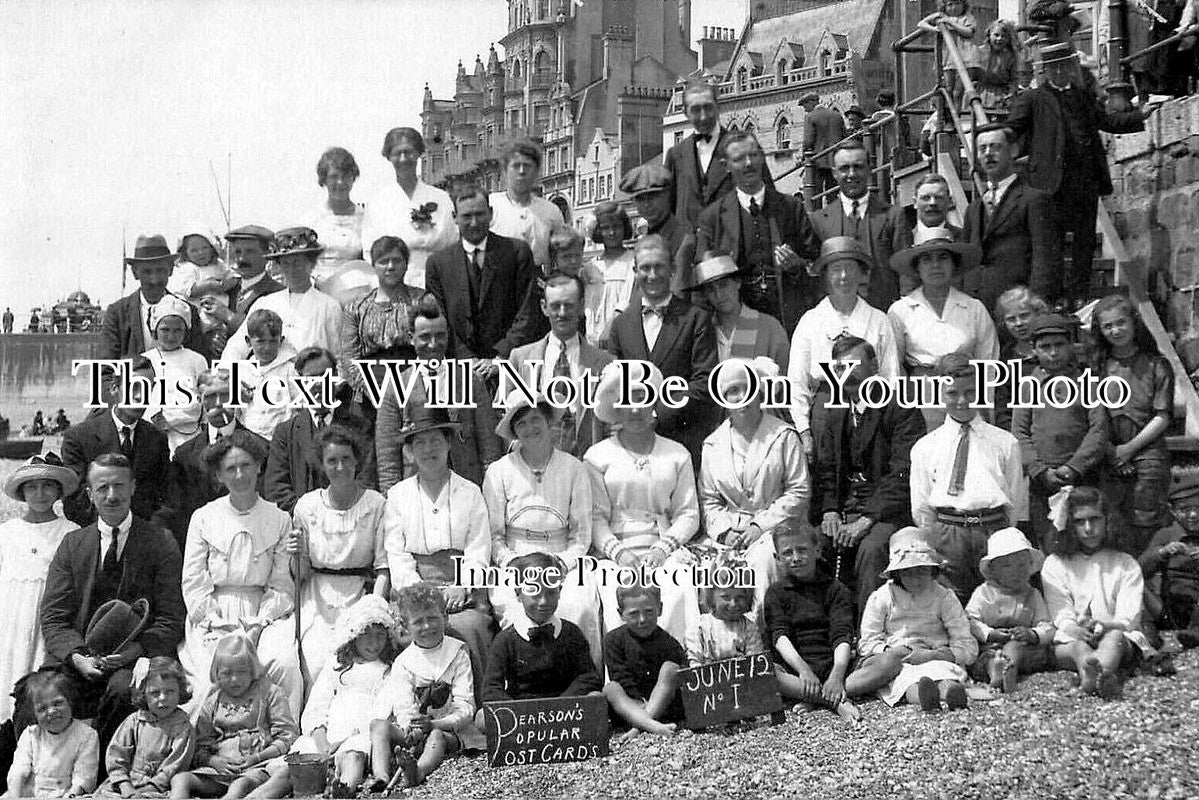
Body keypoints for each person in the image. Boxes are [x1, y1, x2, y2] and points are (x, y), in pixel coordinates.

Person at [37, 454, 186, 753]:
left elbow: (171, 616)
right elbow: (53, 617)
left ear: (133, 487)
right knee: (37, 694)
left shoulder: (160, 541)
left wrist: (135, 651)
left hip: (134, 659)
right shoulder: (72, 544)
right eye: (103, 488)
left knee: (122, 691)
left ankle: (108, 775)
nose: (112, 495)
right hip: (76, 658)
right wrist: (77, 656)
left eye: (119, 486)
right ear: (90, 495)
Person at [1006, 43, 1146, 306]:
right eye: (1053, 68)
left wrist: (1140, 117)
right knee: (1052, 241)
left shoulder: (1083, 96)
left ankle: (1079, 295)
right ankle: (1055, 296)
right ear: (1045, 71)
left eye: (1063, 66)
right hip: (1050, 182)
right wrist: (995, 141)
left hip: (1085, 179)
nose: (1059, 72)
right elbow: (1012, 128)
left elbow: (1108, 122)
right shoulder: (1033, 99)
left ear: (1070, 68)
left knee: (1084, 241)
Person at [177, 432, 302, 717]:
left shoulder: (279, 518)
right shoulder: (203, 517)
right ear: (219, 477)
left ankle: (285, 741)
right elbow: (194, 581)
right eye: (230, 469)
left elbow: (282, 583)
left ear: (259, 466)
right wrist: (215, 622)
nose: (239, 474)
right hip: (216, 614)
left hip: (266, 615)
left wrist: (260, 623)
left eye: (246, 465)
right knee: (212, 675)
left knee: (283, 663)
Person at [382, 405, 494, 703]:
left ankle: (474, 710)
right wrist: (419, 592)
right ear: (409, 451)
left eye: (435, 441)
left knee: (466, 627)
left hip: (461, 592)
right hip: (415, 591)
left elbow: (479, 546)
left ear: (448, 443)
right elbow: (397, 552)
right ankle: (417, 715)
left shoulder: (470, 492)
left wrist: (463, 584)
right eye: (420, 442)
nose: (428, 449)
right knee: (413, 629)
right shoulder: (398, 496)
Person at [586, 361, 701, 644]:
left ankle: (679, 674)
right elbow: (595, 517)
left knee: (677, 588)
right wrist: (620, 554)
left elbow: (688, 513)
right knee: (619, 594)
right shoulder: (597, 456)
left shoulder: (676, 454)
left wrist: (663, 549)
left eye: (642, 398)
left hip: (663, 547)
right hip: (616, 553)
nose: (635, 409)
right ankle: (621, 679)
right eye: (627, 401)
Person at [483, 391, 601, 663]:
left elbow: (581, 535)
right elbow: (494, 534)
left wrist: (561, 562)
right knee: (518, 609)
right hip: (515, 559)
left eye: (536, 419)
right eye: (521, 423)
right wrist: (512, 561)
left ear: (549, 422)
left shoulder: (574, 468)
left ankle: (584, 688)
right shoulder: (499, 471)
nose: (530, 428)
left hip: (563, 559)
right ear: (513, 430)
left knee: (579, 606)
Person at [814, 336, 926, 611]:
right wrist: (829, 510)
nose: (847, 375)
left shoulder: (901, 408)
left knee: (871, 549)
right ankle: (827, 634)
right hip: (846, 509)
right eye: (840, 369)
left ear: (874, 366)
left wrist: (866, 520)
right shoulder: (835, 411)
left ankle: (868, 634)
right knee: (813, 544)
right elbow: (826, 469)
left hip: (886, 511)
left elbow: (903, 474)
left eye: (854, 366)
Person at [909, 353, 1027, 603]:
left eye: (970, 392)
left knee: (996, 601)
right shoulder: (925, 447)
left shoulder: (1005, 443)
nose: (962, 401)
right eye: (952, 393)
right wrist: (935, 540)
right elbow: (921, 508)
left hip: (992, 529)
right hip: (948, 533)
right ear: (939, 393)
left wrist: (1002, 537)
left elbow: (1015, 501)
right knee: (952, 603)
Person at [698, 357, 809, 608]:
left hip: (775, 529)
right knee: (706, 568)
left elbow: (799, 491)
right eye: (732, 391)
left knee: (763, 561)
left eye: (746, 388)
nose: (741, 397)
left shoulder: (783, 436)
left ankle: (760, 639)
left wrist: (759, 526)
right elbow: (708, 499)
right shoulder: (712, 444)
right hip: (730, 533)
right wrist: (725, 532)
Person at [607, 235, 719, 467]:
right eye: (645, 268)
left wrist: (655, 414)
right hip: (631, 446)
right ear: (635, 271)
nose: (653, 275)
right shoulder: (620, 325)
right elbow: (614, 386)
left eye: (659, 267)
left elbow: (705, 382)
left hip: (681, 441)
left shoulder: (696, 318)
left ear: (673, 270)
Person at [694, 129, 822, 332]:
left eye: (753, 155)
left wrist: (797, 265)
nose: (748, 164)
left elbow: (816, 262)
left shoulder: (791, 207)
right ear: (726, 166)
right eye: (739, 159)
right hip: (738, 323)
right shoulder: (713, 217)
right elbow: (703, 277)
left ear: (763, 158)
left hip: (787, 318)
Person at [288, 424, 388, 681]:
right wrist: (297, 555)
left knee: (353, 661)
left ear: (357, 461)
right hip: (316, 597)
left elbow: (383, 567)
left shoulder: (375, 504)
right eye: (332, 460)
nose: (340, 467)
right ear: (322, 464)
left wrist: (372, 613)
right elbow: (300, 574)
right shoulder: (307, 506)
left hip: (360, 595)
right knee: (314, 658)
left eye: (346, 459)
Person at [374, 295, 501, 491]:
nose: (433, 344)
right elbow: (387, 455)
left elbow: (489, 444)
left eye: (440, 335)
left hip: (465, 486)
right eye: (425, 336)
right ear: (411, 337)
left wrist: (491, 492)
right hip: (416, 492)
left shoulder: (469, 380)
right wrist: (391, 499)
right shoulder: (397, 385)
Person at [789, 237, 901, 457]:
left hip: (870, 408)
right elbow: (797, 382)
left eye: (850, 268)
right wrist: (804, 432)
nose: (843, 276)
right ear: (826, 276)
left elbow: (891, 376)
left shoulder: (878, 320)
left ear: (861, 273)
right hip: (826, 409)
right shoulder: (810, 321)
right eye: (836, 269)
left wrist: (887, 422)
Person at [1041, 486, 1155, 699]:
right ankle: (1092, 675)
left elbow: (1129, 617)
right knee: (1077, 648)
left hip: (1116, 633)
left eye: (1095, 519)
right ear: (1068, 524)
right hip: (1073, 636)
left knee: (1114, 640)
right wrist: (1075, 629)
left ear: (1107, 521)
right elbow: (1060, 610)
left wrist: (1106, 626)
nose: (1088, 528)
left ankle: (1096, 673)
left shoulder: (1125, 563)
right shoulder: (1055, 564)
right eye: (1079, 522)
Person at [282, 596, 399, 798]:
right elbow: (316, 706)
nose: (374, 643)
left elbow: (381, 712)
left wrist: (347, 739)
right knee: (290, 770)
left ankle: (344, 790)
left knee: (353, 760)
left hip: (359, 736)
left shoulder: (388, 671)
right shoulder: (337, 666)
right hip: (326, 738)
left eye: (380, 635)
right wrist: (322, 742)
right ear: (354, 635)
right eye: (367, 635)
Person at [846, 534, 977, 711]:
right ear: (897, 573)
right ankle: (924, 697)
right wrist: (892, 652)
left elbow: (965, 644)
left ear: (933, 571)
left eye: (922, 571)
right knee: (907, 680)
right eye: (908, 572)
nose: (915, 579)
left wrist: (936, 655)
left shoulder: (944, 597)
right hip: (898, 659)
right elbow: (868, 641)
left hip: (935, 654)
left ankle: (949, 692)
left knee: (943, 673)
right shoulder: (882, 597)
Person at [1013, 314, 1110, 550]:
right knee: (1050, 542)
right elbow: (1019, 432)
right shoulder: (1028, 385)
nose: (1053, 353)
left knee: (1085, 538)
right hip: (1043, 480)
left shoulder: (1086, 382)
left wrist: (1075, 466)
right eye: (1045, 347)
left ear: (1070, 346)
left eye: (1059, 345)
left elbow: (1099, 429)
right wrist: (1039, 470)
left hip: (1082, 475)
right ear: (1034, 350)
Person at [424, 187, 544, 378]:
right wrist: (465, 359)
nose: (474, 223)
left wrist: (501, 357)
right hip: (459, 369)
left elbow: (527, 311)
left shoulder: (516, 252)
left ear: (491, 214)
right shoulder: (438, 264)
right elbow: (440, 320)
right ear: (455, 217)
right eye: (466, 216)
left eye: (480, 214)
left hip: (510, 367)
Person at [888, 227, 998, 430]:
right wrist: (903, 407)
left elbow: (988, 364)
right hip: (921, 398)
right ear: (917, 267)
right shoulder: (901, 310)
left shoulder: (973, 308)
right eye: (927, 259)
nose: (935, 265)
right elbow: (893, 366)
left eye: (943, 257)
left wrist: (984, 407)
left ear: (954, 264)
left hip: (966, 394)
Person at [371, 585, 480, 790]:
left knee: (436, 737)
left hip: (449, 729)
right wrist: (410, 728)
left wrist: (436, 725)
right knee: (378, 725)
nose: (427, 627)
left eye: (432, 618)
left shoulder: (458, 653)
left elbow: (466, 706)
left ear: (445, 618)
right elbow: (404, 707)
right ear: (405, 626)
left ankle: (418, 770)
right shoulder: (403, 662)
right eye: (418, 622)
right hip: (416, 731)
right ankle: (381, 775)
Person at [1091, 294, 1173, 555]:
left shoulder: (1156, 364)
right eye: (1108, 326)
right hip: (1107, 453)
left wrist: (1129, 449)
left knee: (1146, 526)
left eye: (1121, 323)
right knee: (1111, 525)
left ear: (1133, 323)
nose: (1115, 330)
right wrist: (1111, 451)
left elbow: (1163, 415)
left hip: (1147, 453)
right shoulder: (1096, 367)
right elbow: (1092, 414)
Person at [0, 455, 80, 721]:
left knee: (42, 687)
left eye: (47, 486)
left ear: (58, 491)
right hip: (11, 621)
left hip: (48, 621)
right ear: (22, 492)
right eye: (32, 486)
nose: (40, 493)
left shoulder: (70, 531)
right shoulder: (8, 532)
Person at [171, 636, 297, 800]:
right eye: (227, 673)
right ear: (216, 673)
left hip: (256, 768)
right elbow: (200, 745)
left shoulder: (269, 693)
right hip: (219, 771)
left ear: (253, 669)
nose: (234, 679)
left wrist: (258, 757)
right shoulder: (212, 702)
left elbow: (286, 736)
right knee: (180, 779)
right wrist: (214, 761)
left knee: (239, 786)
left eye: (242, 672)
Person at [61, 357, 175, 531]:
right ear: (114, 388)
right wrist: (112, 530)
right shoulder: (78, 438)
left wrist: (148, 533)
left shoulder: (156, 438)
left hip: (144, 537)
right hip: (97, 535)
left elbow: (166, 495)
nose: (138, 396)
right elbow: (74, 501)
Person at [509, 273, 614, 458]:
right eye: (555, 306)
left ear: (581, 306)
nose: (562, 313)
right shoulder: (520, 359)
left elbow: (612, 421)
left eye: (569, 305)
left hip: (586, 464)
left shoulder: (605, 363)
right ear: (544, 308)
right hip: (535, 465)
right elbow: (506, 420)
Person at [763, 522, 860, 721]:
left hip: (836, 664)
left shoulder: (836, 589)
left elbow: (842, 634)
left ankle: (814, 694)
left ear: (817, 551)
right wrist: (804, 670)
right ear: (778, 558)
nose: (796, 558)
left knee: (889, 662)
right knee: (763, 673)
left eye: (802, 550)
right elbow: (779, 636)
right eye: (788, 553)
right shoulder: (776, 592)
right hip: (797, 670)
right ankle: (833, 700)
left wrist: (837, 675)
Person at [263, 347, 375, 514]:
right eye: (310, 379)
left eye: (324, 377)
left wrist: (338, 514)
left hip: (351, 523)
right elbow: (276, 490)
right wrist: (312, 518)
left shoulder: (359, 428)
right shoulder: (285, 434)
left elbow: (366, 481)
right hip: (301, 525)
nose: (318, 385)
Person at [481, 552, 602, 702]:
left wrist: (559, 704)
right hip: (523, 715)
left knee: (595, 698)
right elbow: (491, 688)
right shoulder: (505, 640)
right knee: (482, 718)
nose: (543, 601)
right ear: (519, 593)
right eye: (535, 594)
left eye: (551, 593)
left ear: (560, 592)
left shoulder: (571, 633)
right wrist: (520, 710)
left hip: (564, 711)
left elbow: (588, 677)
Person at [962, 125, 1058, 311]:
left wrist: (1037, 303)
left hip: (1017, 309)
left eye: (995, 147)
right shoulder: (973, 209)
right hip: (977, 309)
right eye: (983, 149)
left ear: (1013, 151)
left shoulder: (1033, 199)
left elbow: (1045, 257)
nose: (988, 153)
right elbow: (965, 262)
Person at [168, 371, 269, 544]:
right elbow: (180, 513)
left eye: (225, 395)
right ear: (199, 399)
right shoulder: (184, 455)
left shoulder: (262, 448)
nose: (218, 403)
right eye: (210, 396)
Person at [664, 79, 773, 229]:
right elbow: (667, 209)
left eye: (708, 108)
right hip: (690, 249)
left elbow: (768, 197)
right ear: (685, 113)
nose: (703, 116)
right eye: (695, 110)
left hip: (732, 244)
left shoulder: (745, 149)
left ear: (718, 106)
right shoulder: (675, 154)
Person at [222, 228, 343, 362]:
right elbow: (236, 346)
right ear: (279, 266)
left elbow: (338, 354)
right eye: (286, 263)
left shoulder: (328, 306)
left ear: (311, 263)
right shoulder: (266, 303)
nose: (292, 269)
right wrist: (228, 372)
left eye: (297, 262)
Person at [809, 144, 904, 310]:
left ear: (869, 169)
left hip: (883, 315)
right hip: (837, 319)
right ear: (834, 173)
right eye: (844, 168)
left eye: (858, 167)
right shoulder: (819, 220)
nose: (851, 174)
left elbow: (905, 273)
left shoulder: (893, 215)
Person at [360, 127, 457, 289]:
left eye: (409, 152)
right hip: (395, 286)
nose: (403, 159)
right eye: (397, 153)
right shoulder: (378, 202)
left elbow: (452, 244)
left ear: (419, 153)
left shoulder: (441, 198)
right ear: (389, 157)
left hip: (440, 283)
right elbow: (370, 251)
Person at [965, 528, 1054, 693]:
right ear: (992, 570)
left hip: (1024, 649)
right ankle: (996, 672)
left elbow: (1047, 626)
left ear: (1030, 566)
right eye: (1007, 566)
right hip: (992, 646)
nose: (1016, 572)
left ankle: (1008, 672)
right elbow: (971, 620)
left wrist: (1032, 634)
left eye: (1022, 565)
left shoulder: (1032, 594)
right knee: (986, 658)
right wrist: (989, 633)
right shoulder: (984, 593)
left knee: (1017, 649)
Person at [338, 236, 418, 412]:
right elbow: (349, 358)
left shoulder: (422, 301)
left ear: (406, 264)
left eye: (397, 261)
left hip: (414, 385)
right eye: (383, 261)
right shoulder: (356, 308)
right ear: (374, 265)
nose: (390, 267)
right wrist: (375, 394)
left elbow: (433, 347)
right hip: (370, 392)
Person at [97, 658, 195, 797]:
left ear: (180, 692)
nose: (162, 698)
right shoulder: (135, 721)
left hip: (157, 789)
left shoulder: (182, 727)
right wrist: (125, 785)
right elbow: (117, 754)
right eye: (155, 693)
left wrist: (145, 790)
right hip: (125, 784)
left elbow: (174, 766)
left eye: (169, 691)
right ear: (143, 695)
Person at [103, 234, 208, 361]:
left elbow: (199, 363)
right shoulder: (117, 313)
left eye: (160, 271)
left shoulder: (189, 311)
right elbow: (105, 369)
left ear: (170, 270)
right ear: (135, 273)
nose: (154, 280)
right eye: (147, 272)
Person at [601, 585, 687, 737]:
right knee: (611, 688)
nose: (642, 620)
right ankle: (651, 725)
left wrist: (648, 709)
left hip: (663, 708)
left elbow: (676, 685)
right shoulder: (613, 640)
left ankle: (641, 726)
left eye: (648, 611)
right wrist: (639, 704)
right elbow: (620, 677)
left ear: (659, 609)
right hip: (629, 708)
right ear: (621, 614)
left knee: (671, 669)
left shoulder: (669, 643)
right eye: (634, 614)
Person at [4, 671, 99, 798]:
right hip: (29, 794)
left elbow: (84, 778)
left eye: (57, 703)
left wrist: (71, 794)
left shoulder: (86, 736)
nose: (51, 711)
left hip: (67, 794)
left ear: (70, 702)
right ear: (34, 715)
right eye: (42, 709)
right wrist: (15, 796)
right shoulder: (31, 735)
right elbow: (18, 771)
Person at [690, 254, 790, 367]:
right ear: (705, 295)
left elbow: (784, 377)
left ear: (738, 282)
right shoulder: (701, 331)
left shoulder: (770, 327)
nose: (718, 294)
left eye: (723, 285)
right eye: (711, 289)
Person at [616, 164, 695, 296]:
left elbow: (679, 290)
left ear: (667, 195)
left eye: (653, 196)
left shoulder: (683, 237)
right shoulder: (648, 237)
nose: (647, 204)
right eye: (640, 199)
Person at [142, 297, 208, 454]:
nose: (171, 336)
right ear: (155, 330)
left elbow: (205, 397)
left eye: (177, 330)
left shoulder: (196, 360)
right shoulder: (145, 359)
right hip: (154, 435)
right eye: (165, 330)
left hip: (190, 435)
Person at [1139, 478, 1199, 647]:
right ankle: (1148, 631)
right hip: (1168, 609)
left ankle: (1194, 635)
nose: (1193, 515)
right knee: (1137, 585)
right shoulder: (1165, 535)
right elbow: (1141, 569)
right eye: (1185, 510)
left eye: (1198, 508)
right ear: (1172, 511)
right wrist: (1162, 552)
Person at [488, 140, 566, 270]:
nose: (522, 171)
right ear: (505, 171)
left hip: (536, 280)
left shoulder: (551, 211)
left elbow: (561, 250)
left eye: (527, 166)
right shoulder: (491, 205)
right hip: (498, 279)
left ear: (536, 172)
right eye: (516, 166)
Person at [208, 226, 283, 346]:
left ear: (267, 255)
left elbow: (270, 336)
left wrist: (228, 316)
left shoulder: (277, 293)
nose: (242, 258)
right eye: (238, 252)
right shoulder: (226, 287)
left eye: (250, 251)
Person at [992, 287, 1050, 431]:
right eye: (1011, 319)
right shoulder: (1005, 359)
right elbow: (1002, 409)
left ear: (1038, 314)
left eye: (1024, 316)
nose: (1019, 323)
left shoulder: (1054, 351)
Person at [236, 310, 299, 442]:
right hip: (249, 438)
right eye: (260, 342)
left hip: (280, 440)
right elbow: (235, 412)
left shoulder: (289, 370)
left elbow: (299, 405)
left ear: (281, 341)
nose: (267, 347)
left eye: (272, 341)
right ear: (248, 341)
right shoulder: (241, 371)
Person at [309, 147, 365, 288]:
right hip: (317, 290)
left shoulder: (366, 218)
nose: (340, 182)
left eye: (345, 177)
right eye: (333, 177)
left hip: (355, 290)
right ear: (324, 180)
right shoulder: (311, 219)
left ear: (353, 178)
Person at [585, 201, 636, 348]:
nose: (612, 233)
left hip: (621, 333)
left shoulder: (632, 261)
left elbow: (626, 299)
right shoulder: (591, 265)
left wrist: (611, 328)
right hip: (594, 337)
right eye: (606, 228)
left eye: (616, 226)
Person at [919, 0, 981, 111]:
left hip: (965, 59)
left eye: (957, 3)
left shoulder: (967, 18)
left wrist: (951, 23)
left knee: (958, 92)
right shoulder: (941, 16)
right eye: (950, 5)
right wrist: (935, 29)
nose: (954, 7)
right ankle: (946, 117)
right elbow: (921, 24)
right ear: (944, 6)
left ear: (963, 4)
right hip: (948, 59)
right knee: (947, 89)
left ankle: (955, 118)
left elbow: (969, 32)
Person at [685, 583, 763, 665]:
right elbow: (694, 663)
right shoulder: (700, 627)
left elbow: (755, 663)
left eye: (739, 597)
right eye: (726, 597)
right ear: (711, 598)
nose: (733, 604)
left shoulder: (749, 627)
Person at [800, 92, 847, 200]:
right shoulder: (837, 116)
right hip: (836, 160)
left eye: (805, 106)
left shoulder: (810, 117)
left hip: (818, 161)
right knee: (833, 193)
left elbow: (808, 141)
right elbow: (844, 136)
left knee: (815, 193)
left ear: (811, 103)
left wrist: (803, 158)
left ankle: (817, 215)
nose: (805, 109)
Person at [974, 19, 1023, 109]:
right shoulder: (980, 52)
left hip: (1001, 94)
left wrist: (1011, 95)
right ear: (989, 35)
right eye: (996, 35)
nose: (999, 39)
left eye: (1004, 36)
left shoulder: (1010, 56)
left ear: (1008, 39)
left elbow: (1014, 79)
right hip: (982, 91)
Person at [168, 234, 232, 300]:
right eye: (194, 250)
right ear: (185, 254)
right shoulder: (188, 268)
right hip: (199, 306)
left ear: (212, 249)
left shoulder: (219, 264)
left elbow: (233, 275)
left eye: (205, 248)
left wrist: (228, 283)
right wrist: (209, 285)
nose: (200, 252)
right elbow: (189, 290)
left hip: (223, 305)